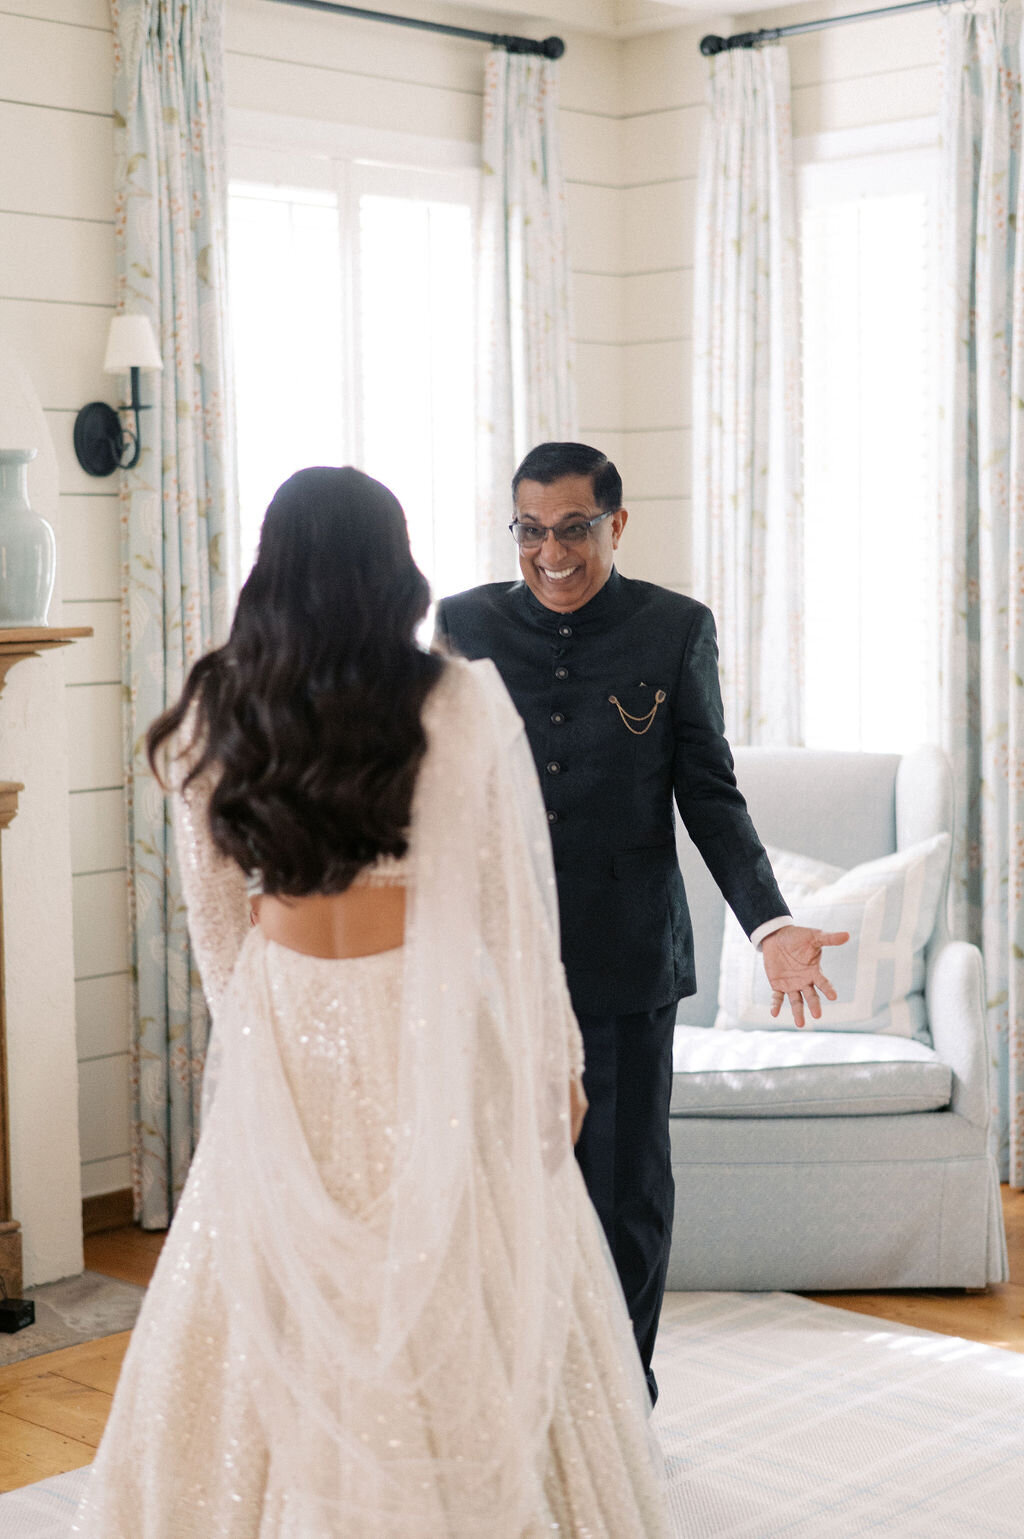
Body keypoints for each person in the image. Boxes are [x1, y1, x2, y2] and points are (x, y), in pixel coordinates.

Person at [71, 467, 670, 1538]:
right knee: (445, 1264)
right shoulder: (453, 698)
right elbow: (512, 916)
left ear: (274, 563)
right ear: (394, 566)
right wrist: (554, 1058)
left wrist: (251, 1039)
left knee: (287, 1277)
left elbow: (214, 918)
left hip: (288, 1013)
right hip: (429, 1023)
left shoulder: (222, 699)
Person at [435, 441, 847, 1405]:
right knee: (498, 1191)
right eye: (531, 531)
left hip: (626, 965)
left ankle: (621, 1403)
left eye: (573, 529)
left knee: (623, 1195)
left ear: (615, 525)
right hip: (494, 964)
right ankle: (510, 1399)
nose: (552, 554)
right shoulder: (461, 625)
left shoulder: (674, 629)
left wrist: (770, 923)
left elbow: (709, 794)